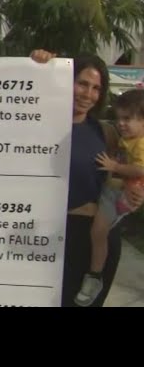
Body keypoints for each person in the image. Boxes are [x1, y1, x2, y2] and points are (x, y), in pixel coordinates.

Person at [30, 49, 144, 307]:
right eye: (82, 83)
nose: (88, 94)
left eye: (95, 88)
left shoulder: (106, 132)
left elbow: (129, 174)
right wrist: (40, 66)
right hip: (50, 236)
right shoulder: (37, 124)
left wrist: (136, 197)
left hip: (97, 239)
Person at [76, 88, 144, 306]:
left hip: (117, 194)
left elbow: (141, 170)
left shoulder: (140, 143)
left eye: (127, 119)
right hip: (113, 191)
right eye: (119, 118)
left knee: (99, 232)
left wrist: (115, 166)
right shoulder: (126, 139)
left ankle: (94, 276)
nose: (121, 123)